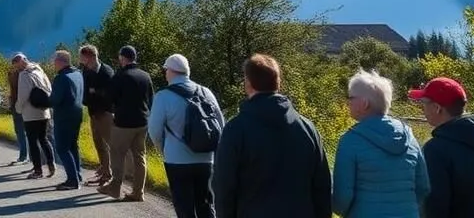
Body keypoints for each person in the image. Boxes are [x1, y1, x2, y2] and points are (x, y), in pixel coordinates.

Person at [212, 54, 331, 218]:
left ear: (247, 83)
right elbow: (322, 186)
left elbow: (224, 187)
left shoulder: (235, 130)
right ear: (278, 82)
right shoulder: (307, 128)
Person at [331, 69, 428, 218]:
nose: (348, 102)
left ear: (364, 103)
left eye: (351, 98)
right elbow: (423, 187)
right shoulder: (410, 137)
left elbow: (343, 197)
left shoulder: (350, 140)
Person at [150, 53, 226, 218]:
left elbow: (154, 131)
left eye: (165, 70)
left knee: (184, 208)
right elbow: (221, 125)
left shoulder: (163, 96)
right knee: (206, 206)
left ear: (170, 71)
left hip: (177, 160)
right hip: (206, 159)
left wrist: (163, 150)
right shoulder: (206, 92)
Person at [410, 76, 474, 218]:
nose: (422, 108)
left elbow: (434, 206)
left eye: (424, 103)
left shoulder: (435, 151)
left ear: (437, 108)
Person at [99, 45, 154, 202]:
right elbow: (151, 98)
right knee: (140, 157)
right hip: (142, 122)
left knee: (117, 153)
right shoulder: (145, 76)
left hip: (124, 123)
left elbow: (109, 98)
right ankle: (138, 192)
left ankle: (115, 187)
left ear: (122, 58)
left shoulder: (120, 76)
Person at [13, 52, 56, 179]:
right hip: (44, 111)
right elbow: (49, 88)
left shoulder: (24, 74)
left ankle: (38, 170)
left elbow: (23, 96)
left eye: (16, 64)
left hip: (30, 113)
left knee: (32, 141)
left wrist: (18, 109)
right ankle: (51, 163)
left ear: (19, 62)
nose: (16, 67)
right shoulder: (39, 70)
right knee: (44, 139)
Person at [79, 44, 116, 186]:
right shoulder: (86, 71)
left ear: (90, 56)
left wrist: (96, 92)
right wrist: (91, 93)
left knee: (110, 143)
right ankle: (105, 170)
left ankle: (113, 174)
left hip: (105, 113)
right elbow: (87, 92)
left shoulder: (106, 71)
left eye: (82, 56)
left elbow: (110, 94)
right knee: (99, 144)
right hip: (93, 112)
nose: (81, 59)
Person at [50, 49, 86, 190]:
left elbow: (55, 99)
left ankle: (72, 180)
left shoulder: (61, 78)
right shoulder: (78, 74)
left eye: (54, 60)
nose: (53, 63)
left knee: (62, 148)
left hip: (64, 116)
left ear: (60, 61)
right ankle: (77, 174)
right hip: (77, 114)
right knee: (73, 145)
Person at [6, 57, 30, 167]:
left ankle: (27, 156)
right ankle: (24, 155)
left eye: (16, 64)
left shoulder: (29, 73)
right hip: (16, 106)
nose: (16, 66)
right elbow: (13, 89)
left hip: (26, 106)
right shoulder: (13, 74)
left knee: (28, 132)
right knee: (20, 132)